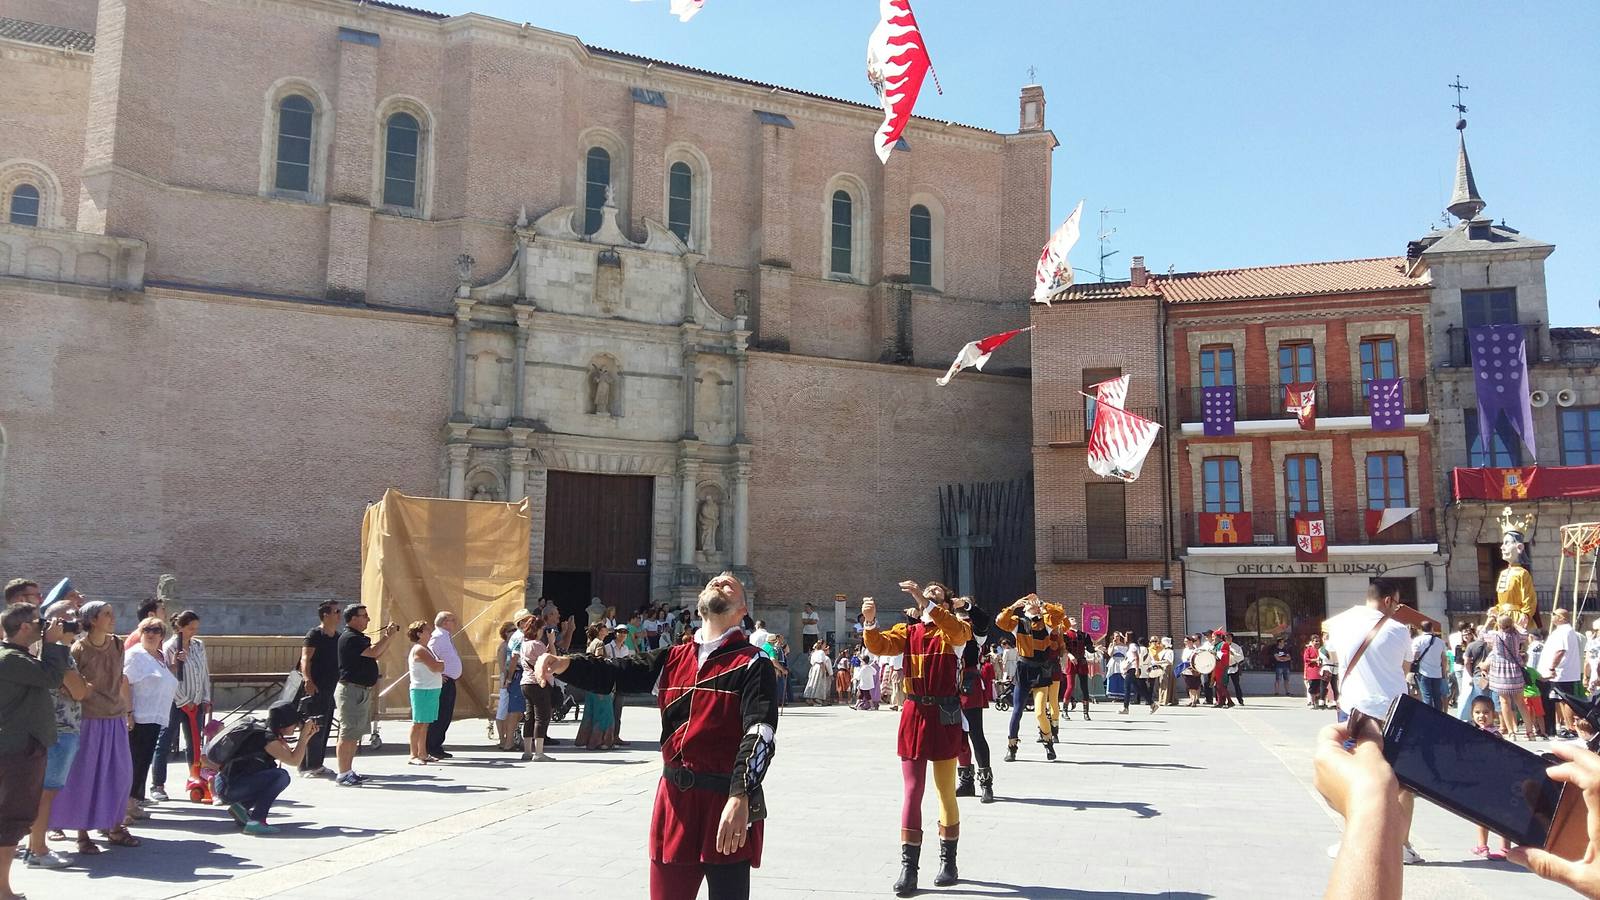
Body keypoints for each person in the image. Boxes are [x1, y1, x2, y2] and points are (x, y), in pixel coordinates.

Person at [534, 573, 777, 900]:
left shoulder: (753, 662)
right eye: (713, 582)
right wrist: (564, 663)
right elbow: (615, 673)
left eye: (730, 584)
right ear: (700, 604)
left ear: (742, 609)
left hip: (725, 799)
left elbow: (760, 732)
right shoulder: (672, 658)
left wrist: (740, 796)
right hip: (674, 800)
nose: (720, 582)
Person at [863, 581, 972, 896]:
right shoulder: (908, 632)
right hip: (914, 712)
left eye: (937, 592)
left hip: (944, 713)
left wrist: (926, 603)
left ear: (947, 604)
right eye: (928, 590)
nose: (931, 592)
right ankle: (909, 869)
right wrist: (869, 621)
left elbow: (954, 630)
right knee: (912, 790)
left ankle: (948, 862)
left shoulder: (955, 631)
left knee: (945, 792)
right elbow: (880, 646)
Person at [1323, 579, 1421, 864]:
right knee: (1401, 780)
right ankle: (1401, 845)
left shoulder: (1340, 624)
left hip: (1352, 711)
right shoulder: (1398, 629)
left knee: (1353, 776)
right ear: (1388, 600)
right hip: (1392, 711)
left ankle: (1352, 838)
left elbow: (1333, 656)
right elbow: (1404, 667)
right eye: (1397, 604)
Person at [51, 600, 140, 852]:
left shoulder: (117, 644)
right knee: (86, 775)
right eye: (106, 614)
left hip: (115, 717)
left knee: (119, 775)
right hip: (89, 719)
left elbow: (120, 679)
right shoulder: (79, 648)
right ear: (92, 620)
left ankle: (115, 826)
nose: (113, 618)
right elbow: (67, 684)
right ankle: (82, 835)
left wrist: (127, 710)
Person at [1, 602, 71, 897]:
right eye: (39, 622)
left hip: (20, 748)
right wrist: (53, 644)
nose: (45, 626)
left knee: (10, 819)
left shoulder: (16, 657)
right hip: (17, 752)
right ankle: (2, 891)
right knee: (11, 819)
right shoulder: (11, 659)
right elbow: (52, 678)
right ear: (25, 627)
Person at [22, 603, 87, 871]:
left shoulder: (35, 650)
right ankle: (38, 849)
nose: (73, 621)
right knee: (46, 794)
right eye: (65, 618)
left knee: (40, 793)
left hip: (45, 729)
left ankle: (33, 847)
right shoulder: (58, 654)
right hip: (60, 730)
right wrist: (84, 686)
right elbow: (80, 691)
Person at [213, 700, 321, 834]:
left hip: (228, 783)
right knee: (281, 776)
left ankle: (241, 808)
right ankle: (256, 821)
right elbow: (294, 761)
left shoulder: (266, 729)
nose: (297, 726)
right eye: (295, 723)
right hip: (230, 787)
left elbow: (291, 755)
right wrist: (303, 737)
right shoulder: (266, 738)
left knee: (272, 776)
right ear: (283, 724)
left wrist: (306, 736)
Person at [334, 604, 401, 787]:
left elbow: (375, 655)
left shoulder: (358, 638)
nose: (368, 619)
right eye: (364, 616)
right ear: (353, 618)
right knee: (348, 733)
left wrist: (387, 639)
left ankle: (348, 771)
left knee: (354, 734)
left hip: (360, 690)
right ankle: (342, 774)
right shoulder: (351, 638)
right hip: (352, 690)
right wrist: (388, 636)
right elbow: (374, 652)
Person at [995, 593, 1065, 762]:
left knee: (1040, 713)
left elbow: (1060, 615)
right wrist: (1014, 606)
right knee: (1017, 710)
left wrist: (1043, 603)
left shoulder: (1046, 622)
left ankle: (1048, 742)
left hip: (1041, 670)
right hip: (1024, 669)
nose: (1033, 605)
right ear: (1024, 608)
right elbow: (1000, 621)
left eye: (1035, 603)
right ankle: (1012, 747)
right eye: (1029, 603)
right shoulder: (1018, 623)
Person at [152, 609, 210, 802]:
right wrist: (184, 701)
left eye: (196, 628)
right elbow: (169, 676)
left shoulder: (198, 645)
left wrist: (205, 698)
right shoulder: (170, 647)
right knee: (165, 742)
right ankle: (157, 785)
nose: (194, 632)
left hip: (196, 701)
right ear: (180, 628)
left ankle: (196, 779)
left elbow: (204, 672)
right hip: (175, 702)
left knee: (194, 743)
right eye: (191, 628)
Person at [124, 617, 179, 811]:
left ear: (162, 635)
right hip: (138, 717)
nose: (150, 634)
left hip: (154, 717)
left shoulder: (159, 656)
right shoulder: (135, 655)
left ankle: (134, 802)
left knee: (143, 761)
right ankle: (126, 805)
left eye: (156, 630)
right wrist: (128, 713)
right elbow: (124, 682)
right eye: (146, 630)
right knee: (134, 761)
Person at [952, 597, 995, 804]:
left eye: (964, 605)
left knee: (976, 734)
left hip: (969, 683)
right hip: (950, 684)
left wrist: (968, 607)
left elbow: (984, 620)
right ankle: (966, 781)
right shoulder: (947, 625)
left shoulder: (975, 629)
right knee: (957, 735)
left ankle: (986, 784)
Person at [1462, 695, 1512, 860]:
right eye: (1477, 712)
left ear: (1493, 714)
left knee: (1486, 815)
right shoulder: (1486, 732)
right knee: (1493, 814)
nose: (1481, 716)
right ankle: (1489, 847)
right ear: (1472, 714)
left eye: (1486, 712)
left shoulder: (1492, 734)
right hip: (1488, 779)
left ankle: (1493, 847)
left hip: (1492, 780)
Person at [297, 601, 341, 777]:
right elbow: (305, 658)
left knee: (324, 727)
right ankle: (306, 766)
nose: (339, 614)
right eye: (336, 611)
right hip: (314, 687)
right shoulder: (315, 634)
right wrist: (307, 679)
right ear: (325, 615)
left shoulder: (337, 637)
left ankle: (317, 764)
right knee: (311, 727)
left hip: (329, 689)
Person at [1485, 613, 1532, 741]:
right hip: (1515, 670)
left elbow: (1481, 634)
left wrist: (1488, 621)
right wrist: (1515, 624)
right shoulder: (1516, 635)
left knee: (1504, 702)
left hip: (1500, 671)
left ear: (1499, 624)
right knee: (1521, 703)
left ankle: (1511, 732)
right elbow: (1525, 632)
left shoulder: (1495, 635)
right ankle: (1530, 732)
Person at [514, 613, 554, 761]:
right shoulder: (537, 644)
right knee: (541, 717)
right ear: (537, 630)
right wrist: (552, 643)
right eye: (542, 629)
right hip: (538, 683)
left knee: (529, 717)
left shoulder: (524, 644)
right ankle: (539, 752)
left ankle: (527, 751)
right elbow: (552, 660)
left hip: (526, 682)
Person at [407, 620, 446, 765]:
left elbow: (438, 666)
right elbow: (436, 667)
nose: (430, 633)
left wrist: (440, 665)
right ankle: (413, 755)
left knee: (425, 723)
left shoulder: (427, 648)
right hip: (422, 690)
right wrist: (440, 665)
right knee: (418, 723)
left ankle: (422, 753)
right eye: (427, 630)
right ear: (419, 634)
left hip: (431, 689)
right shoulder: (419, 649)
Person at [424, 611, 462, 760]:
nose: (455, 623)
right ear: (445, 622)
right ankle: (431, 746)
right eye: (453, 620)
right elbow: (429, 656)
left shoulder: (445, 636)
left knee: (445, 715)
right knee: (440, 715)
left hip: (449, 681)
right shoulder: (438, 637)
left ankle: (437, 745)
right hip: (442, 682)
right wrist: (438, 675)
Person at [1543, 608, 1585, 739]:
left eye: (1554, 614)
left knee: (1566, 700)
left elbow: (1560, 651)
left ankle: (1571, 727)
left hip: (1563, 673)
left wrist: (1552, 667)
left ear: (1561, 618)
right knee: (1561, 700)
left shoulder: (1564, 632)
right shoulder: (1565, 631)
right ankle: (1567, 726)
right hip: (1564, 673)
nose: (1552, 616)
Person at [575, 624, 616, 749]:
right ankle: (601, 741)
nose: (607, 630)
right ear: (600, 631)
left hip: (591, 682)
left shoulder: (591, 643)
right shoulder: (599, 643)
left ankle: (586, 739)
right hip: (600, 682)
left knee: (590, 712)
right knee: (605, 712)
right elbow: (598, 659)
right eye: (604, 628)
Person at [495, 621, 526, 751]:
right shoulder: (504, 646)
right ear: (505, 633)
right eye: (510, 630)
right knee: (503, 710)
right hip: (507, 679)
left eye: (515, 630)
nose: (514, 632)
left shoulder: (514, 643)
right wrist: (506, 680)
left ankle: (510, 737)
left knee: (511, 710)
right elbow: (503, 666)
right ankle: (503, 739)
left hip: (512, 678)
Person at [1408, 621, 1447, 711]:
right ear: (1432, 628)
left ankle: (1428, 714)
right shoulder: (1440, 642)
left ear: (1421, 629)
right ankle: (1438, 715)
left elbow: (1415, 656)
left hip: (1423, 672)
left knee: (1427, 696)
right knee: (1437, 697)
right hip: (1437, 673)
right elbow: (1444, 659)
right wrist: (1443, 672)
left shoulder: (1417, 640)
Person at [1303, 634, 1325, 708]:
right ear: (1312, 642)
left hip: (1321, 672)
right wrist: (1315, 660)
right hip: (1312, 672)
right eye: (1316, 641)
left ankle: (1317, 701)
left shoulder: (1322, 650)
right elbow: (1306, 659)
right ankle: (1312, 702)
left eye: (1318, 641)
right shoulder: (1308, 650)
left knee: (1320, 688)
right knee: (1312, 688)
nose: (1317, 643)